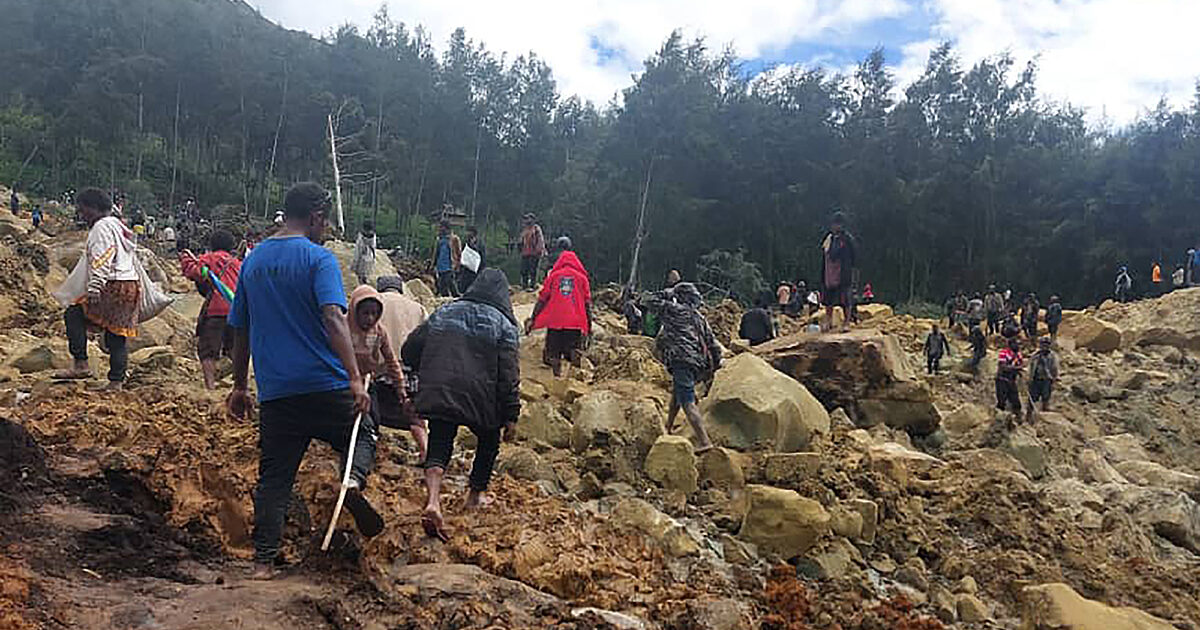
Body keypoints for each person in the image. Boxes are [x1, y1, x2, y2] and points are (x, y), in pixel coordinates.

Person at [225, 183, 382, 579]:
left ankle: (262, 562)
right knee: (363, 432)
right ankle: (352, 481)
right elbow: (333, 317)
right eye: (324, 220)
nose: (325, 227)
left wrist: (240, 386)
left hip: (277, 392)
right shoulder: (319, 259)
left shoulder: (254, 261)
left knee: (275, 478)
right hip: (325, 384)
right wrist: (355, 379)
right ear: (315, 216)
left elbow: (241, 329)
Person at [401, 268, 521, 543]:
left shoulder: (445, 311)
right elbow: (509, 374)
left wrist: (422, 373)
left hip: (442, 389)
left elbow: (410, 348)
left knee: (441, 440)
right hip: (482, 398)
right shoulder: (505, 324)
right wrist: (511, 414)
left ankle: (433, 499)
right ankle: (475, 495)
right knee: (488, 441)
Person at [53, 188, 140, 389]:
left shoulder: (101, 227)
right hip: (130, 284)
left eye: (84, 210)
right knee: (116, 334)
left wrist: (95, 286)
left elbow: (104, 256)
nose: (82, 215)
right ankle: (116, 382)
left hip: (112, 284)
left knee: (74, 314)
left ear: (94, 208)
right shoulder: (119, 226)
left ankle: (81, 364)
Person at [645, 282, 721, 453]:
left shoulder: (674, 310)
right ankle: (668, 427)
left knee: (687, 402)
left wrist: (666, 293)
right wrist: (714, 368)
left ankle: (704, 441)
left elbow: (647, 300)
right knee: (677, 395)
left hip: (682, 360)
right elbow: (714, 345)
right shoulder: (700, 318)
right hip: (698, 364)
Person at [374, 276, 429, 462]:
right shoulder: (417, 308)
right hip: (409, 372)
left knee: (371, 413)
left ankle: (369, 451)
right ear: (400, 289)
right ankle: (425, 453)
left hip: (380, 370)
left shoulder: (374, 303)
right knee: (415, 419)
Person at [179, 229, 242, 390]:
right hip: (236, 310)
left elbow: (194, 272)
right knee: (234, 348)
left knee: (208, 350)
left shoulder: (209, 259)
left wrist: (186, 258)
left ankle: (210, 386)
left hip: (215, 310)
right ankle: (238, 384)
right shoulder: (237, 263)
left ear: (211, 245)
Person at [527, 237, 592, 378]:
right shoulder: (582, 278)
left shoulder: (553, 276)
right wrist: (589, 326)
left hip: (555, 321)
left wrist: (533, 318)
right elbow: (587, 304)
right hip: (574, 322)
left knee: (553, 353)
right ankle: (574, 381)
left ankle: (556, 380)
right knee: (574, 351)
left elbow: (542, 299)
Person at [820, 212, 857, 332]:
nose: (836, 227)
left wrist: (852, 271)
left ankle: (847, 322)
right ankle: (828, 321)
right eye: (834, 224)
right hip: (829, 273)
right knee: (828, 300)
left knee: (845, 299)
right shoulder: (829, 238)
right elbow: (825, 255)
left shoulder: (847, 239)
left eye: (838, 224)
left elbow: (854, 256)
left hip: (843, 273)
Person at [1027, 336, 1059, 421]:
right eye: (1042, 344)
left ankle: (1045, 414)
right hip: (1036, 379)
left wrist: (1054, 378)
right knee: (1032, 398)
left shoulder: (1052, 356)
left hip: (1046, 379)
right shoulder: (1035, 355)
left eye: (1046, 345)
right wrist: (1029, 378)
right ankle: (1028, 415)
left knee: (1046, 396)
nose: (1044, 346)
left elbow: (1054, 368)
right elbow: (1031, 366)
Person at [430, 220, 461, 297]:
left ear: (446, 228)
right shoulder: (439, 239)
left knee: (450, 283)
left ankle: (456, 297)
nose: (440, 228)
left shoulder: (454, 239)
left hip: (449, 266)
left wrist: (457, 264)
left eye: (441, 227)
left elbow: (458, 252)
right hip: (440, 266)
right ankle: (445, 298)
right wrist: (433, 264)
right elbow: (436, 253)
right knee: (442, 285)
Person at [995, 338, 1025, 418]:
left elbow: (1021, 365)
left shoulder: (1018, 354)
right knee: (1001, 401)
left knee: (1016, 401)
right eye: (1016, 344)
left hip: (1012, 380)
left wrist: (1018, 369)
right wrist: (1016, 368)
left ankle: (1018, 419)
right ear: (1010, 345)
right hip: (1002, 379)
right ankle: (998, 418)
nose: (1018, 346)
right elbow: (1002, 366)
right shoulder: (1004, 353)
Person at [519, 213, 546, 291]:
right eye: (526, 219)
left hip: (534, 253)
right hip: (525, 253)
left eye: (529, 219)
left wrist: (540, 251)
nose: (527, 220)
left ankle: (532, 285)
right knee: (524, 270)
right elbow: (521, 240)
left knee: (532, 270)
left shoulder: (536, 229)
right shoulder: (525, 230)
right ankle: (524, 285)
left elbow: (540, 241)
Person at [458, 225, 487, 294]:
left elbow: (483, 257)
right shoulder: (465, 243)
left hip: (475, 271)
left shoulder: (480, 244)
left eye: (469, 232)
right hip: (466, 270)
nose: (467, 234)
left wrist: (481, 270)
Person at [351, 219, 377, 285]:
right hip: (370, 258)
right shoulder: (373, 237)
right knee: (366, 278)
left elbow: (357, 253)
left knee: (361, 279)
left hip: (361, 261)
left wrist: (354, 266)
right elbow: (374, 249)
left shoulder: (361, 239)